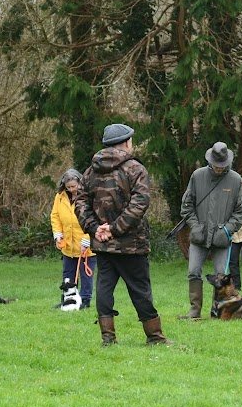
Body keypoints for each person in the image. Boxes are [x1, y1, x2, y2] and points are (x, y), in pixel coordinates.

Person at [74, 123, 171, 346]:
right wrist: (115, 228)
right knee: (140, 290)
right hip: (131, 244)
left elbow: (80, 203)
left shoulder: (89, 172)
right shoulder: (135, 169)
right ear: (126, 142)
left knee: (104, 289)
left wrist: (94, 228)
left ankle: (108, 338)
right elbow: (140, 202)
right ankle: (155, 337)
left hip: (103, 244)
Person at [178, 141, 242, 320]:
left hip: (222, 239)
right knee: (193, 271)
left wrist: (227, 230)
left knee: (221, 276)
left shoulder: (235, 180)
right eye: (216, 165)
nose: (218, 168)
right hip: (199, 236)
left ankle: (217, 311)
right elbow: (186, 206)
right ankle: (194, 310)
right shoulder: (197, 176)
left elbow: (240, 211)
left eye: (222, 165)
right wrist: (195, 225)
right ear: (210, 161)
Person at [51, 168, 97, 309]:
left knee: (86, 275)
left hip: (86, 247)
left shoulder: (89, 197)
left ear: (80, 183)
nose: (71, 189)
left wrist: (87, 238)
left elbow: (94, 218)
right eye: (68, 187)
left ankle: (85, 301)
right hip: (68, 247)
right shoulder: (59, 197)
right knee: (68, 274)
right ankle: (68, 298)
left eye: (74, 186)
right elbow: (55, 216)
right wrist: (58, 235)